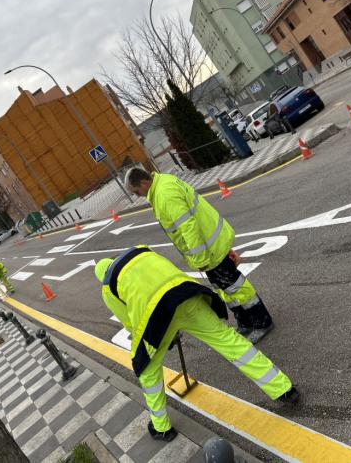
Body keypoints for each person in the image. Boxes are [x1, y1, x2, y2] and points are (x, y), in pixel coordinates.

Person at [94, 246, 298, 441]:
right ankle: (283, 388)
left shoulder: (107, 288)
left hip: (156, 317)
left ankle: (161, 427)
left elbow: (132, 326)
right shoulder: (140, 251)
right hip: (186, 293)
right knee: (228, 340)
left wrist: (162, 338)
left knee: (148, 372)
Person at [124, 167, 274, 343]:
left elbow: (188, 227)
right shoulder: (162, 184)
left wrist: (200, 258)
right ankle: (245, 321)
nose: (138, 195)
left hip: (209, 249)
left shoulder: (164, 193)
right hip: (210, 244)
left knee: (234, 286)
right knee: (225, 288)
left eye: (136, 191)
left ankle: (262, 321)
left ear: (143, 182)